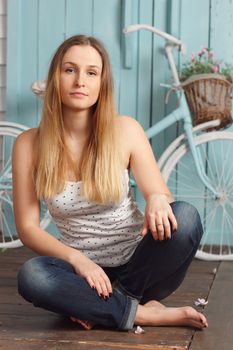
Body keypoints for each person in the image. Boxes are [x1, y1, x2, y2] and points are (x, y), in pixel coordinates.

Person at [13, 34, 208, 331]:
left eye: (92, 72)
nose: (80, 81)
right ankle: (142, 314)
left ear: (102, 83)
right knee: (32, 275)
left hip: (142, 269)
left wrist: (156, 197)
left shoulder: (126, 130)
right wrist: (79, 261)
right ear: (56, 77)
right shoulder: (28, 144)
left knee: (186, 217)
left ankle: (112, 305)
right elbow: (27, 229)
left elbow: (160, 194)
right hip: (82, 276)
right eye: (70, 70)